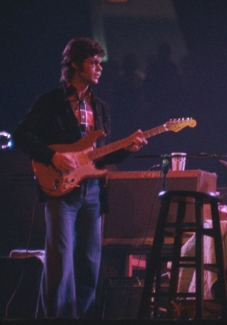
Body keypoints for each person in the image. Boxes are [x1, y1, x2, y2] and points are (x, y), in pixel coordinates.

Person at [12, 37, 147, 319]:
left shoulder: (101, 108)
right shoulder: (50, 101)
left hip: (93, 193)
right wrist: (52, 156)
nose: (100, 68)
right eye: (94, 62)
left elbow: (102, 156)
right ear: (75, 64)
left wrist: (127, 149)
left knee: (88, 266)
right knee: (60, 265)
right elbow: (21, 135)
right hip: (61, 191)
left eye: (100, 62)